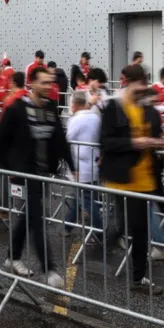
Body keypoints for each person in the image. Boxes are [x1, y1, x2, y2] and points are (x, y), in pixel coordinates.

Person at [0, 65, 72, 288]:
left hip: (41, 173)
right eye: (44, 82)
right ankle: (49, 269)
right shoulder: (17, 108)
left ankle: (12, 257)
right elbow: (3, 140)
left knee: (28, 216)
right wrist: (7, 168)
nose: (49, 86)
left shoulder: (50, 107)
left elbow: (59, 138)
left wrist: (71, 165)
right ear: (32, 83)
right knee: (37, 218)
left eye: (51, 83)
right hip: (21, 173)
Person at [99, 64, 164, 294]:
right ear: (127, 82)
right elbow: (106, 143)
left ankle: (137, 277)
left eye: (144, 89)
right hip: (124, 179)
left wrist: (158, 142)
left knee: (139, 230)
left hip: (148, 177)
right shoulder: (114, 107)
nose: (141, 93)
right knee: (135, 228)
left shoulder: (147, 109)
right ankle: (137, 277)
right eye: (138, 89)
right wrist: (136, 143)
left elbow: (156, 133)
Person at [65, 90, 103, 231]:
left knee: (86, 200)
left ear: (75, 104)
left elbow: (68, 137)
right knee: (80, 196)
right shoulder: (95, 117)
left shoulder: (75, 119)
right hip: (93, 162)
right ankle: (68, 226)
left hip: (80, 165)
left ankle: (98, 231)